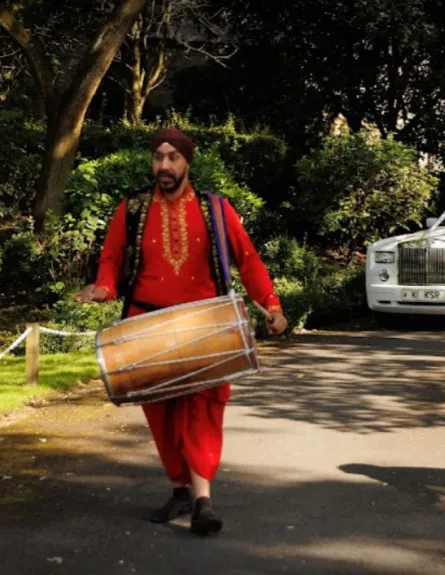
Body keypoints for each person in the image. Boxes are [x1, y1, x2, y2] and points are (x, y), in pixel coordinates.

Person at [76, 127, 288, 536]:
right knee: (162, 415)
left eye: (173, 157)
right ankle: (179, 489)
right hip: (146, 325)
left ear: (188, 161)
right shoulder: (131, 209)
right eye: (158, 157)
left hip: (205, 326)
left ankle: (203, 500)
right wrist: (101, 290)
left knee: (203, 410)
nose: (165, 166)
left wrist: (272, 305)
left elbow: (248, 260)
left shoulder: (216, 208)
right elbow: (111, 262)